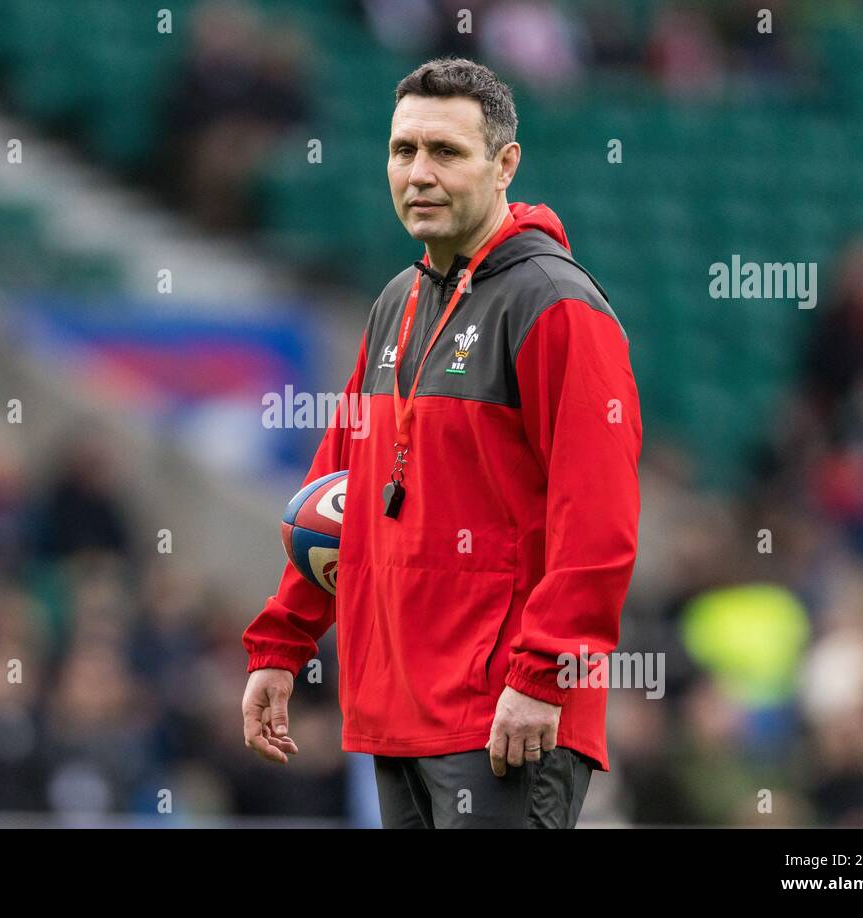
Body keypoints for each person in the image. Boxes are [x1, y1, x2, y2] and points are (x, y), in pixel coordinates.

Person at [240, 57, 642, 828]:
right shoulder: (396, 302)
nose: (419, 173)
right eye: (404, 151)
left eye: (446, 153)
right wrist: (281, 644)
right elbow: (336, 496)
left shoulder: (557, 307)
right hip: (397, 706)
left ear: (504, 165)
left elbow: (601, 524)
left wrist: (541, 677)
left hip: (506, 715)